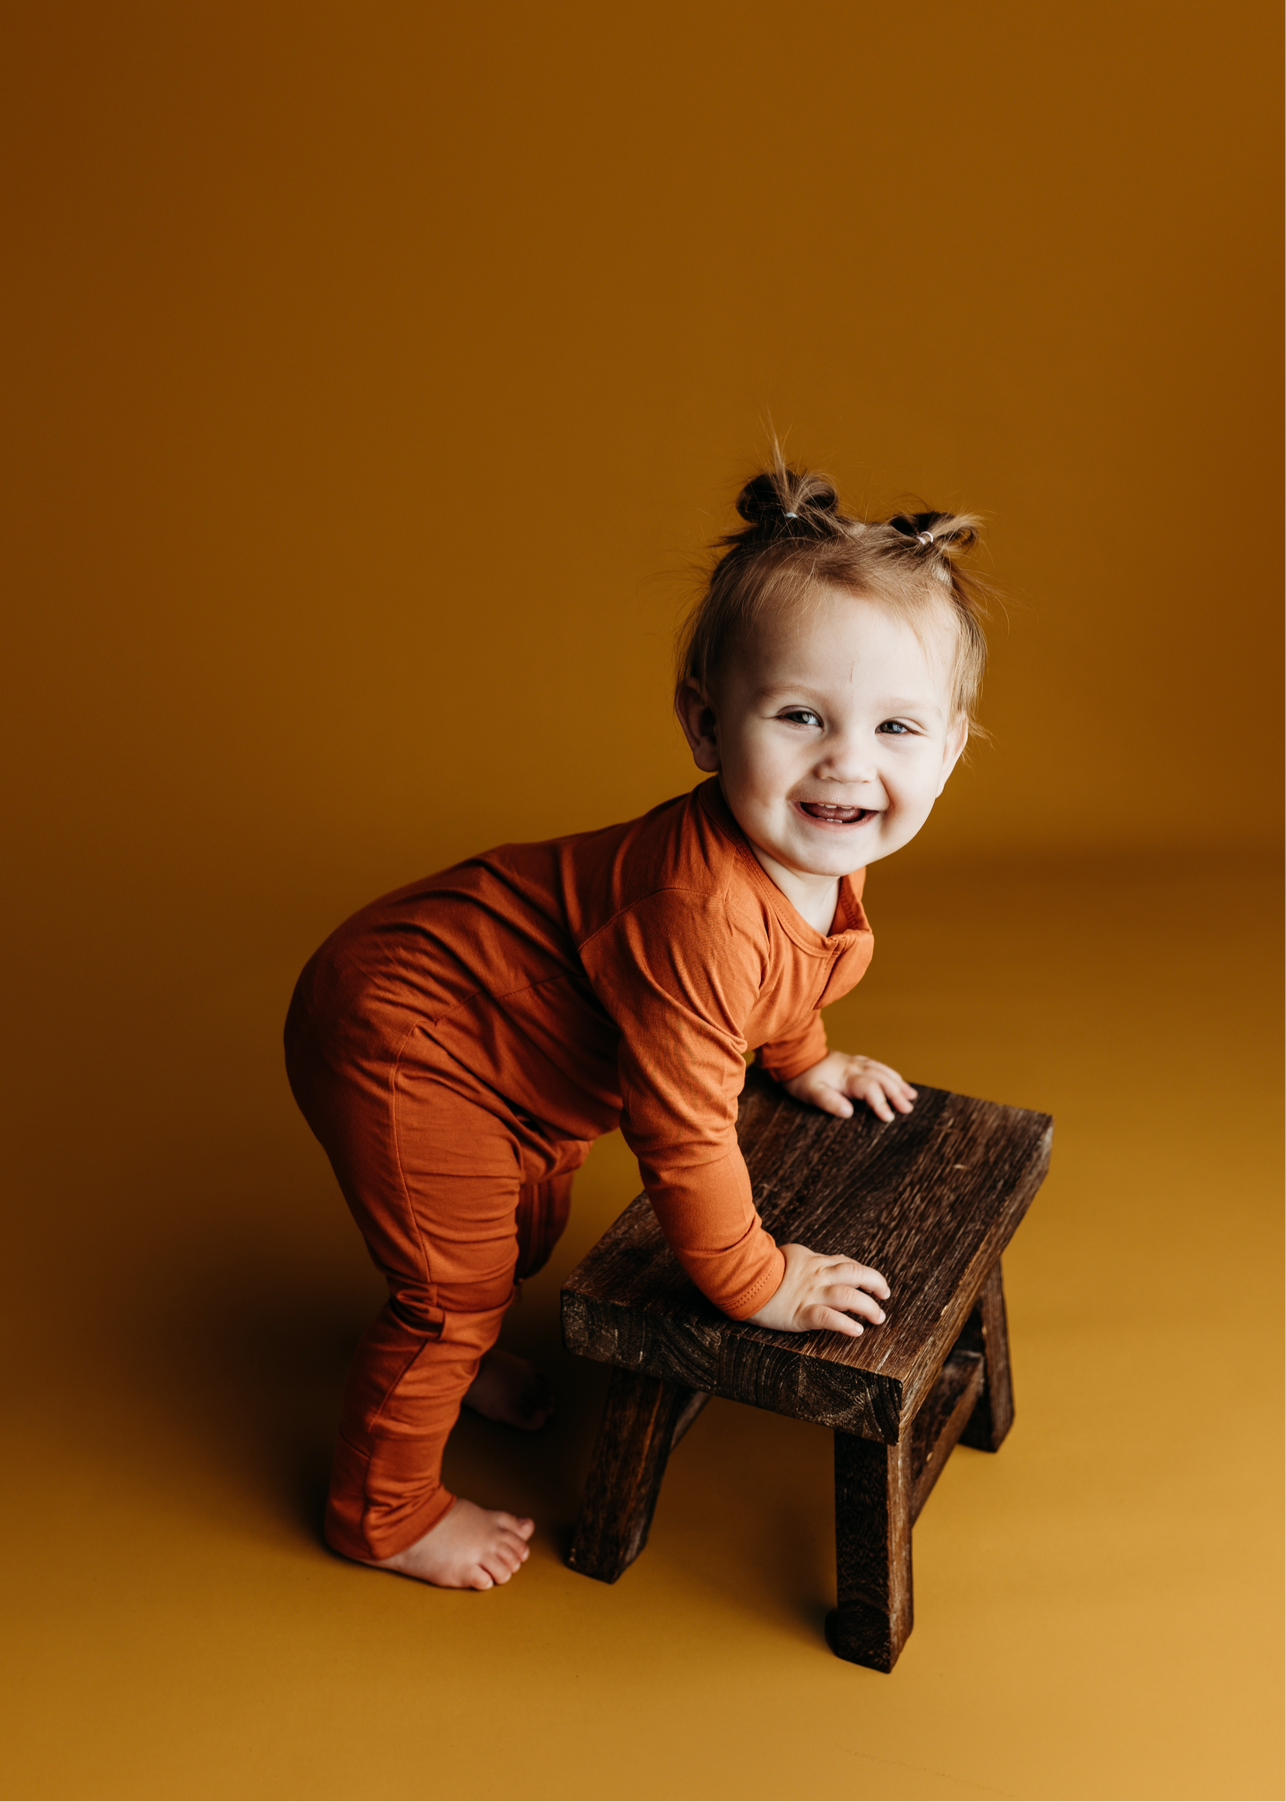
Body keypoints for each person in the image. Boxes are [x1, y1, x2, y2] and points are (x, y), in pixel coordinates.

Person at [285, 459, 987, 1590]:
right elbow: (684, 1135)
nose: (848, 761)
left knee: (518, 1227)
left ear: (949, 747)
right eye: (799, 714)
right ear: (706, 725)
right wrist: (759, 1281)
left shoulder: (815, 849)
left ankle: (455, 1362)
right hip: (407, 1027)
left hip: (510, 1043)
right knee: (451, 1283)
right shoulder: (699, 910)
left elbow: (780, 982)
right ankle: (382, 1510)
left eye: (896, 726)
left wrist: (802, 1055)